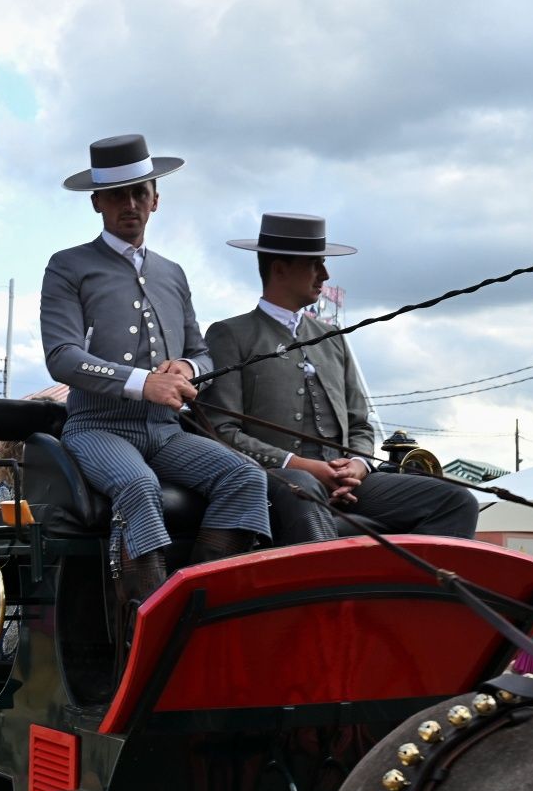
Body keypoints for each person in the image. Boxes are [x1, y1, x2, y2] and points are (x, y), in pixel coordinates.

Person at [39, 135, 270, 623]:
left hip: (165, 432)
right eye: (118, 195)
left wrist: (187, 370)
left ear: (156, 199)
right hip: (98, 427)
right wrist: (141, 382)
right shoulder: (68, 266)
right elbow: (61, 357)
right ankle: (149, 624)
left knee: (246, 477)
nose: (130, 204)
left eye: (140, 192)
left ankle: (200, 611)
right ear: (96, 202)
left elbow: (203, 354)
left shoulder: (174, 273)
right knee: (139, 486)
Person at [200, 213, 479, 543]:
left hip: (349, 483)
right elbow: (221, 430)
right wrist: (300, 464)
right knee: (303, 490)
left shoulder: (332, 337)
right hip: (276, 482)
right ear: (279, 268)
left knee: (457, 501)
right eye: (315, 264)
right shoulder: (230, 334)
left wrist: (358, 465)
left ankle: (414, 594)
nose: (325, 274)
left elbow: (360, 424)